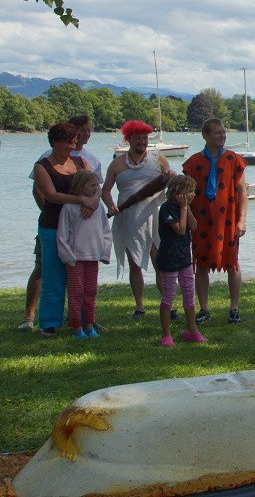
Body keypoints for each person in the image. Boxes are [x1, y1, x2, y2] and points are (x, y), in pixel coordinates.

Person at [20, 114, 101, 332]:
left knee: (82, 277)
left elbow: (94, 185)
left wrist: (92, 202)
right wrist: (80, 199)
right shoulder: (42, 166)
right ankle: (50, 324)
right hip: (51, 225)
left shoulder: (80, 162)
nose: (73, 146)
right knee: (53, 276)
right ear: (55, 141)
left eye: (75, 142)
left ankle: (85, 319)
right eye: (69, 142)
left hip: (80, 226)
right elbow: (51, 195)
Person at [102, 120, 171, 319]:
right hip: (128, 218)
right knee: (134, 264)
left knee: (160, 262)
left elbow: (170, 182)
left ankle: (168, 305)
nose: (142, 141)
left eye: (145, 138)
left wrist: (171, 177)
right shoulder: (117, 163)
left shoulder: (158, 158)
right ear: (128, 139)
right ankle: (139, 307)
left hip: (155, 216)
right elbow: (105, 190)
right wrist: (110, 205)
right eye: (137, 138)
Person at [182, 118, 247, 325]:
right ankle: (204, 309)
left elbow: (242, 191)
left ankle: (234, 308)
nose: (223, 135)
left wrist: (242, 220)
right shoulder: (192, 163)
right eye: (218, 132)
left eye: (224, 132)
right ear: (206, 135)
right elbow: (184, 195)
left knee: (233, 263)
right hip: (200, 221)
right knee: (201, 264)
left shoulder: (233, 160)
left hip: (228, 220)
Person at [56, 169, 111, 339]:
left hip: (93, 258)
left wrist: (104, 253)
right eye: (92, 185)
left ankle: (89, 326)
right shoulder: (68, 208)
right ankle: (77, 328)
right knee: (76, 293)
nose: (96, 188)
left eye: (97, 185)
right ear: (81, 187)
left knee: (91, 292)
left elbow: (105, 231)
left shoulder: (99, 207)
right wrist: (69, 258)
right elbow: (62, 235)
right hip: (75, 260)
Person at [156, 174, 206, 348]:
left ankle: (191, 330)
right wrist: (183, 209)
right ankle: (166, 333)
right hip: (169, 258)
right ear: (178, 192)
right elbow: (180, 229)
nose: (193, 194)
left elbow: (193, 226)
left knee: (188, 294)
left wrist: (187, 208)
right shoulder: (167, 209)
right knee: (168, 296)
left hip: (184, 258)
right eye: (190, 191)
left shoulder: (185, 208)